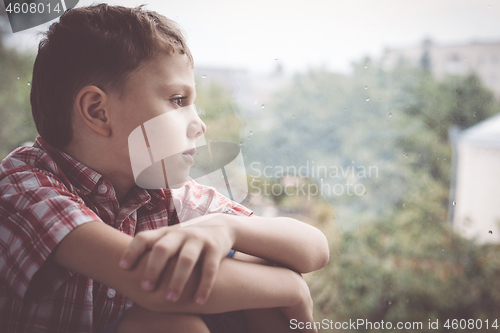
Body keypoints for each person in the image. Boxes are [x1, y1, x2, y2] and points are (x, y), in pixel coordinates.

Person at [0, 4, 329, 333]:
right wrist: (292, 290)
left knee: (253, 260)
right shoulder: (24, 186)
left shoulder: (164, 195)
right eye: (177, 100)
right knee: (168, 325)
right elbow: (152, 283)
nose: (199, 125)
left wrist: (226, 227)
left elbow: (313, 247)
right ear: (98, 111)